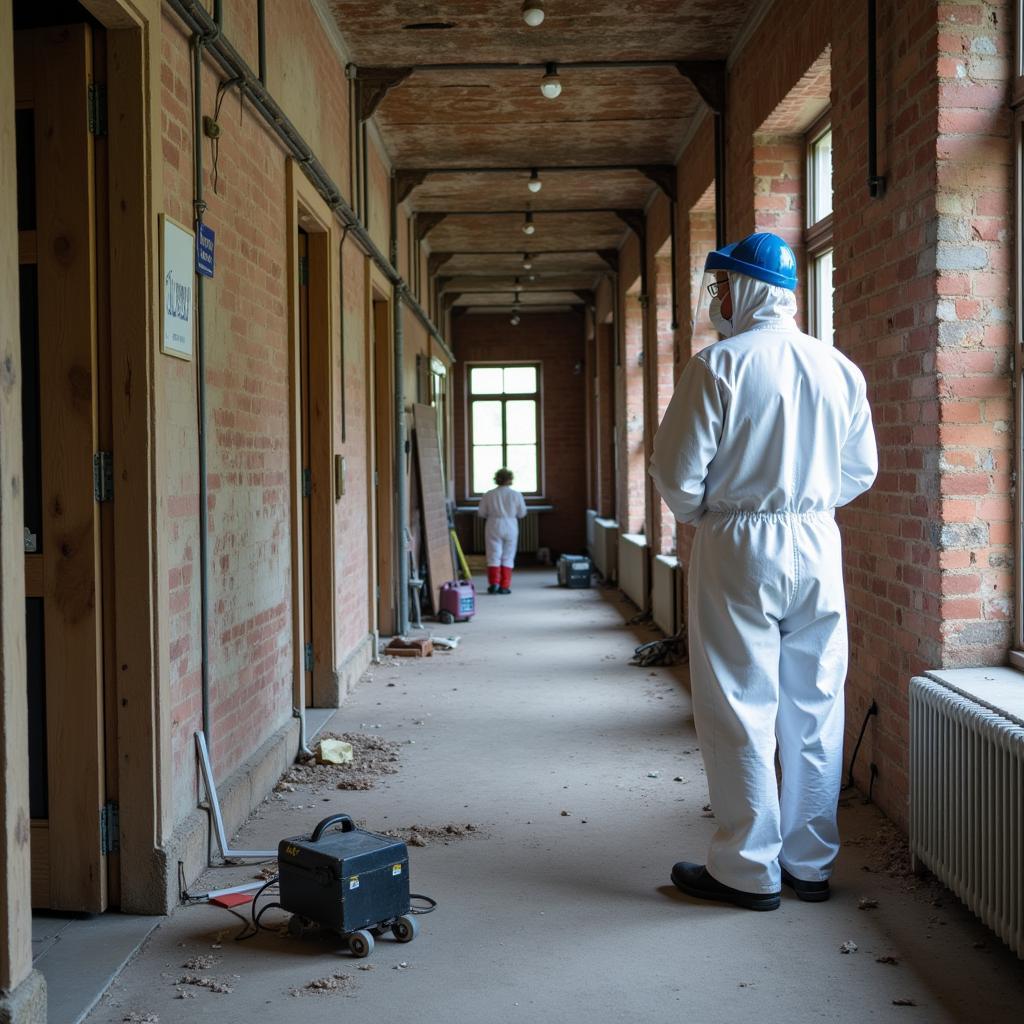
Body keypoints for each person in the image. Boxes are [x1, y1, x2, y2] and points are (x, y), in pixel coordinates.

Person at [649, 231, 877, 911]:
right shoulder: (837, 367)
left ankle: (748, 869)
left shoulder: (717, 367)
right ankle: (810, 863)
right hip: (816, 539)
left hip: (739, 542)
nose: (717, 298)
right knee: (816, 703)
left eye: (722, 286)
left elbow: (676, 474)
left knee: (738, 703)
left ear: (746, 288)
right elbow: (859, 470)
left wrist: (714, 514)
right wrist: (804, 502)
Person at [477, 468, 527, 594]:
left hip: (493, 523)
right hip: (510, 524)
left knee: (493, 555)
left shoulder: (488, 494)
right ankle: (504, 586)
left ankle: (494, 584)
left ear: (496, 479)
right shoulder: (516, 495)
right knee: (508, 556)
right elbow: (522, 513)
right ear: (510, 479)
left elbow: (481, 513)